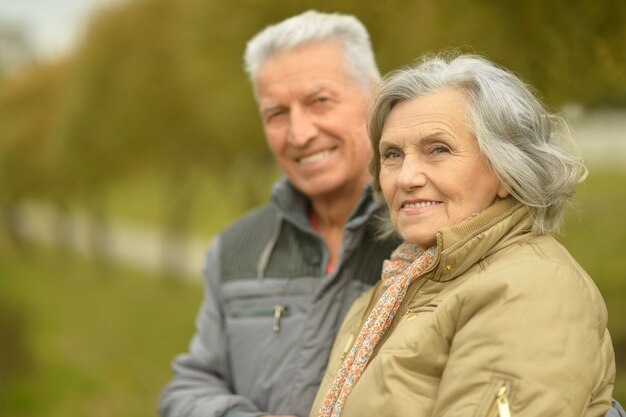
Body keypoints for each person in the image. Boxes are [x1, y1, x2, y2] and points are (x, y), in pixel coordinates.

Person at [310, 53, 617, 417]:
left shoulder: (529, 287)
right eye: (392, 154)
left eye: (438, 149)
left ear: (506, 171)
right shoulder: (396, 285)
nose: (406, 177)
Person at [158, 11, 399, 417]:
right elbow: (191, 385)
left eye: (319, 101)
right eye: (276, 114)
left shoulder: (428, 236)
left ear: (376, 98)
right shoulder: (237, 248)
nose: (299, 133)